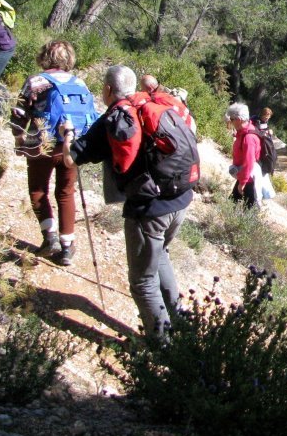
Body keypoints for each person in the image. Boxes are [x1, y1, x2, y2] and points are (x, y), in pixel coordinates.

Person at [62, 65, 194, 341]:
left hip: (149, 209)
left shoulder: (116, 115)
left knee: (142, 282)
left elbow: (70, 159)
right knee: (160, 256)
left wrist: (67, 136)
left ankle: (163, 345)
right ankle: (180, 326)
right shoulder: (155, 102)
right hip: (181, 198)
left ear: (108, 90)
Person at [10, 40, 89, 266]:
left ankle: (50, 235)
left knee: (37, 190)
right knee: (66, 193)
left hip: (41, 144)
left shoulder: (36, 81)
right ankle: (67, 246)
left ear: (45, 56)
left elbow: (18, 113)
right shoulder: (80, 83)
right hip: (70, 146)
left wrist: (19, 139)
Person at [226, 102, 263, 209]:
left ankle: (246, 225)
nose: (231, 122)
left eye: (232, 119)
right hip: (245, 175)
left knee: (250, 209)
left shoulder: (248, 138)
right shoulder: (243, 132)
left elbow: (249, 161)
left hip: (249, 178)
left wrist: (243, 182)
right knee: (232, 204)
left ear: (239, 119)